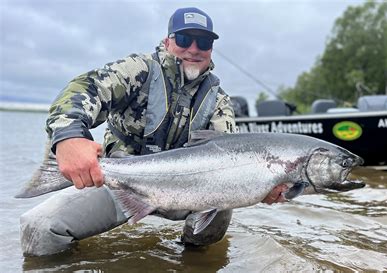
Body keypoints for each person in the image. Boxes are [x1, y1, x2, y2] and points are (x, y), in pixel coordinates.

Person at [20, 7, 288, 257]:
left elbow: (231, 158)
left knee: (222, 208)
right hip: (119, 181)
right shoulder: (139, 70)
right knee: (39, 227)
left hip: (190, 190)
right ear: (168, 41)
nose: (194, 49)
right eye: (184, 38)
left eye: (204, 43)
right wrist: (69, 137)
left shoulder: (219, 101)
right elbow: (84, 88)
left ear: (211, 49)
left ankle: (190, 258)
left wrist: (259, 186)